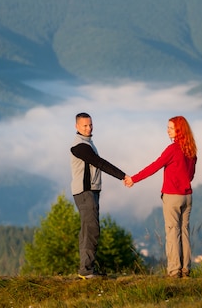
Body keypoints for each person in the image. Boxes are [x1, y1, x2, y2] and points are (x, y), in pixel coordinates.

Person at [124, 116, 197, 278]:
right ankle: (185, 269)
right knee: (184, 232)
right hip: (187, 196)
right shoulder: (191, 149)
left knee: (172, 233)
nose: (167, 130)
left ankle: (173, 271)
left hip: (172, 196)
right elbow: (190, 175)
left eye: (171, 128)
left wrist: (133, 179)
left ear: (179, 130)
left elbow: (154, 166)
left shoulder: (173, 149)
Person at [70, 112, 127, 279]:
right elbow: (100, 163)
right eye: (84, 126)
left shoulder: (87, 143)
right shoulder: (80, 146)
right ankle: (87, 271)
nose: (89, 128)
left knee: (88, 229)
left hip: (90, 192)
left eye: (90, 125)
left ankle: (87, 269)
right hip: (85, 192)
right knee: (91, 230)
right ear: (76, 127)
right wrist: (123, 176)